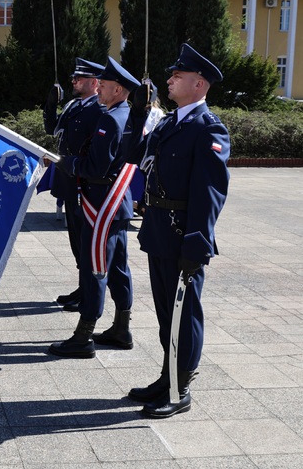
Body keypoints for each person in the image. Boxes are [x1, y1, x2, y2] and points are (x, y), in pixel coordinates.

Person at [126, 43, 230, 418]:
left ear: (199, 85)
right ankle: (167, 375)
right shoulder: (171, 122)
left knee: (184, 315)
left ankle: (180, 387)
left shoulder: (208, 129)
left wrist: (197, 243)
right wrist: (138, 113)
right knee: (165, 313)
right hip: (158, 229)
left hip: (183, 235)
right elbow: (132, 157)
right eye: (171, 75)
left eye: (177, 76)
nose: (169, 80)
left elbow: (210, 193)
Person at [49, 57, 139, 359]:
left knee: (94, 269)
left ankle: (83, 335)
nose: (98, 89)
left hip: (101, 205)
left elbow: (95, 168)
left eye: (105, 85)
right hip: (117, 203)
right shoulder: (127, 115)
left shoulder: (111, 119)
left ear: (118, 90)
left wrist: (62, 162)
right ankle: (121, 328)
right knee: (117, 268)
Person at [43, 58, 106, 312]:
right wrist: (51, 103)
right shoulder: (72, 106)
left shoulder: (100, 110)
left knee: (85, 240)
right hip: (69, 183)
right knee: (76, 242)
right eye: (73, 78)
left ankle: (88, 291)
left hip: (85, 185)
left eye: (79, 79)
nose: (73, 82)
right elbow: (51, 128)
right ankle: (83, 287)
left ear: (93, 83)